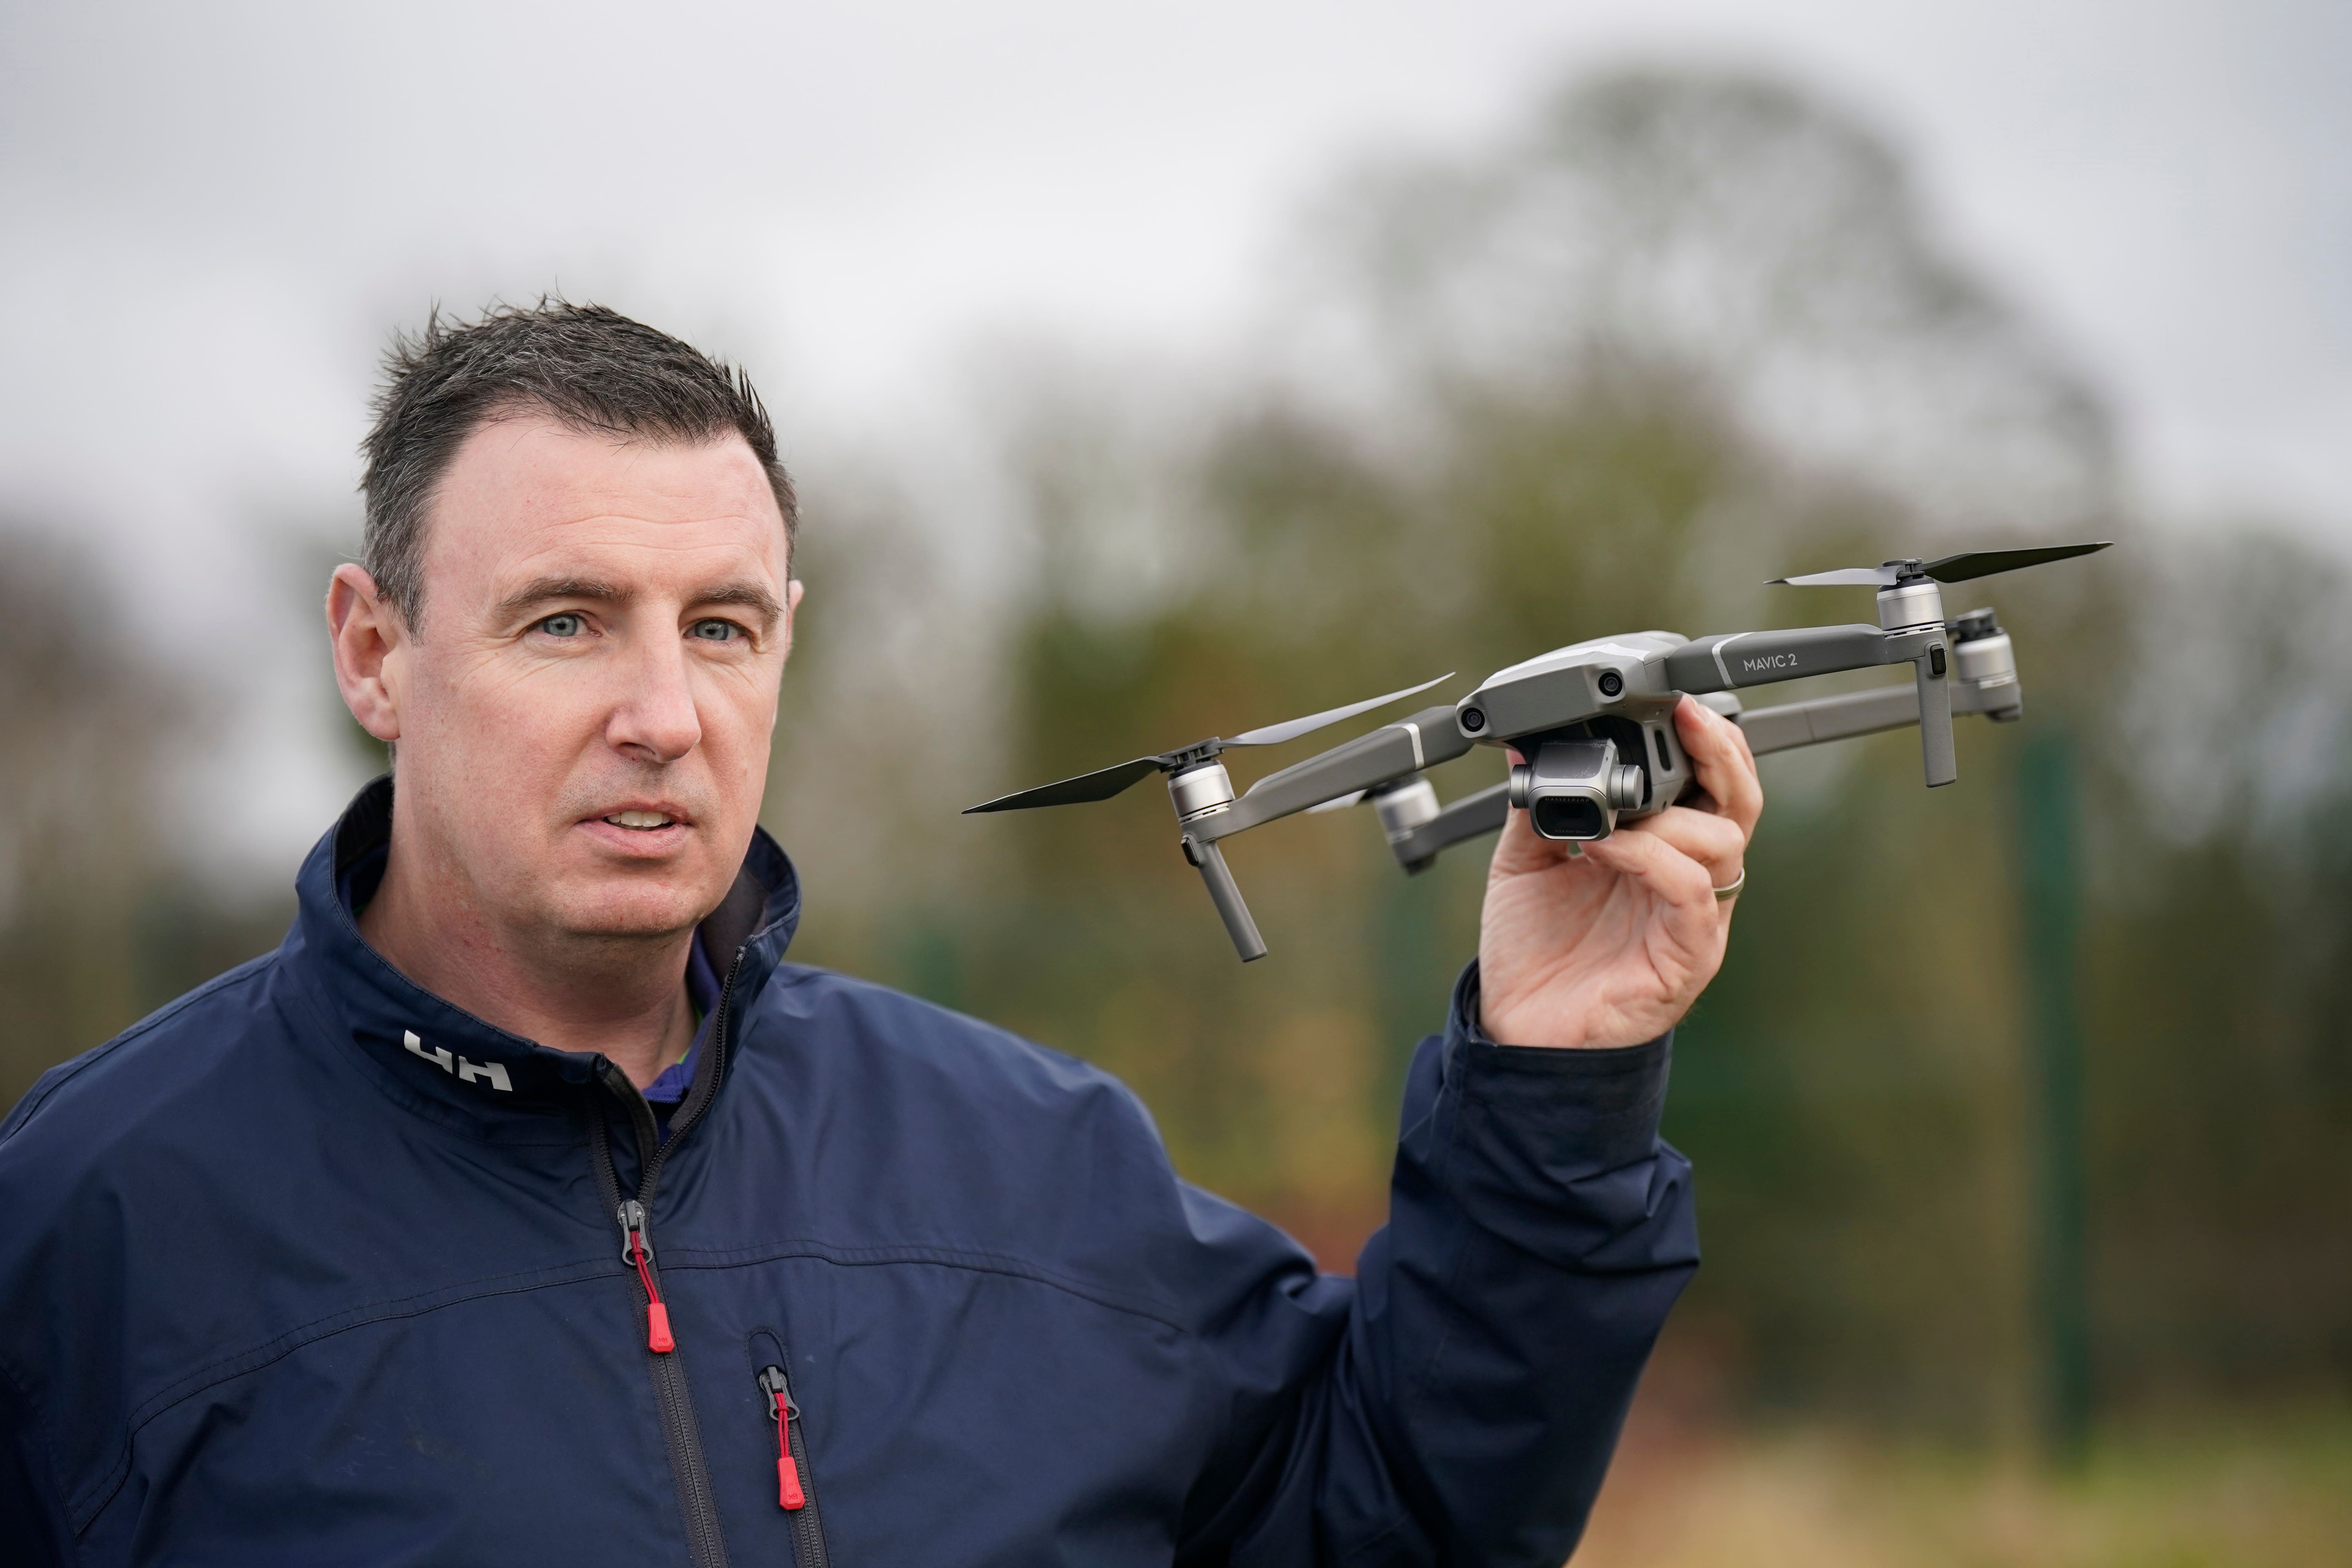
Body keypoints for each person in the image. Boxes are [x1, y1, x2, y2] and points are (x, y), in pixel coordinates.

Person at [0, 302, 1759, 1566]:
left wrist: (1553, 1078)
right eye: (564, 622)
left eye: (722, 625)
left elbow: (1391, 1511)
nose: (664, 712)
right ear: (375, 648)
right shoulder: (88, 1231)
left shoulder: (1033, 1164)